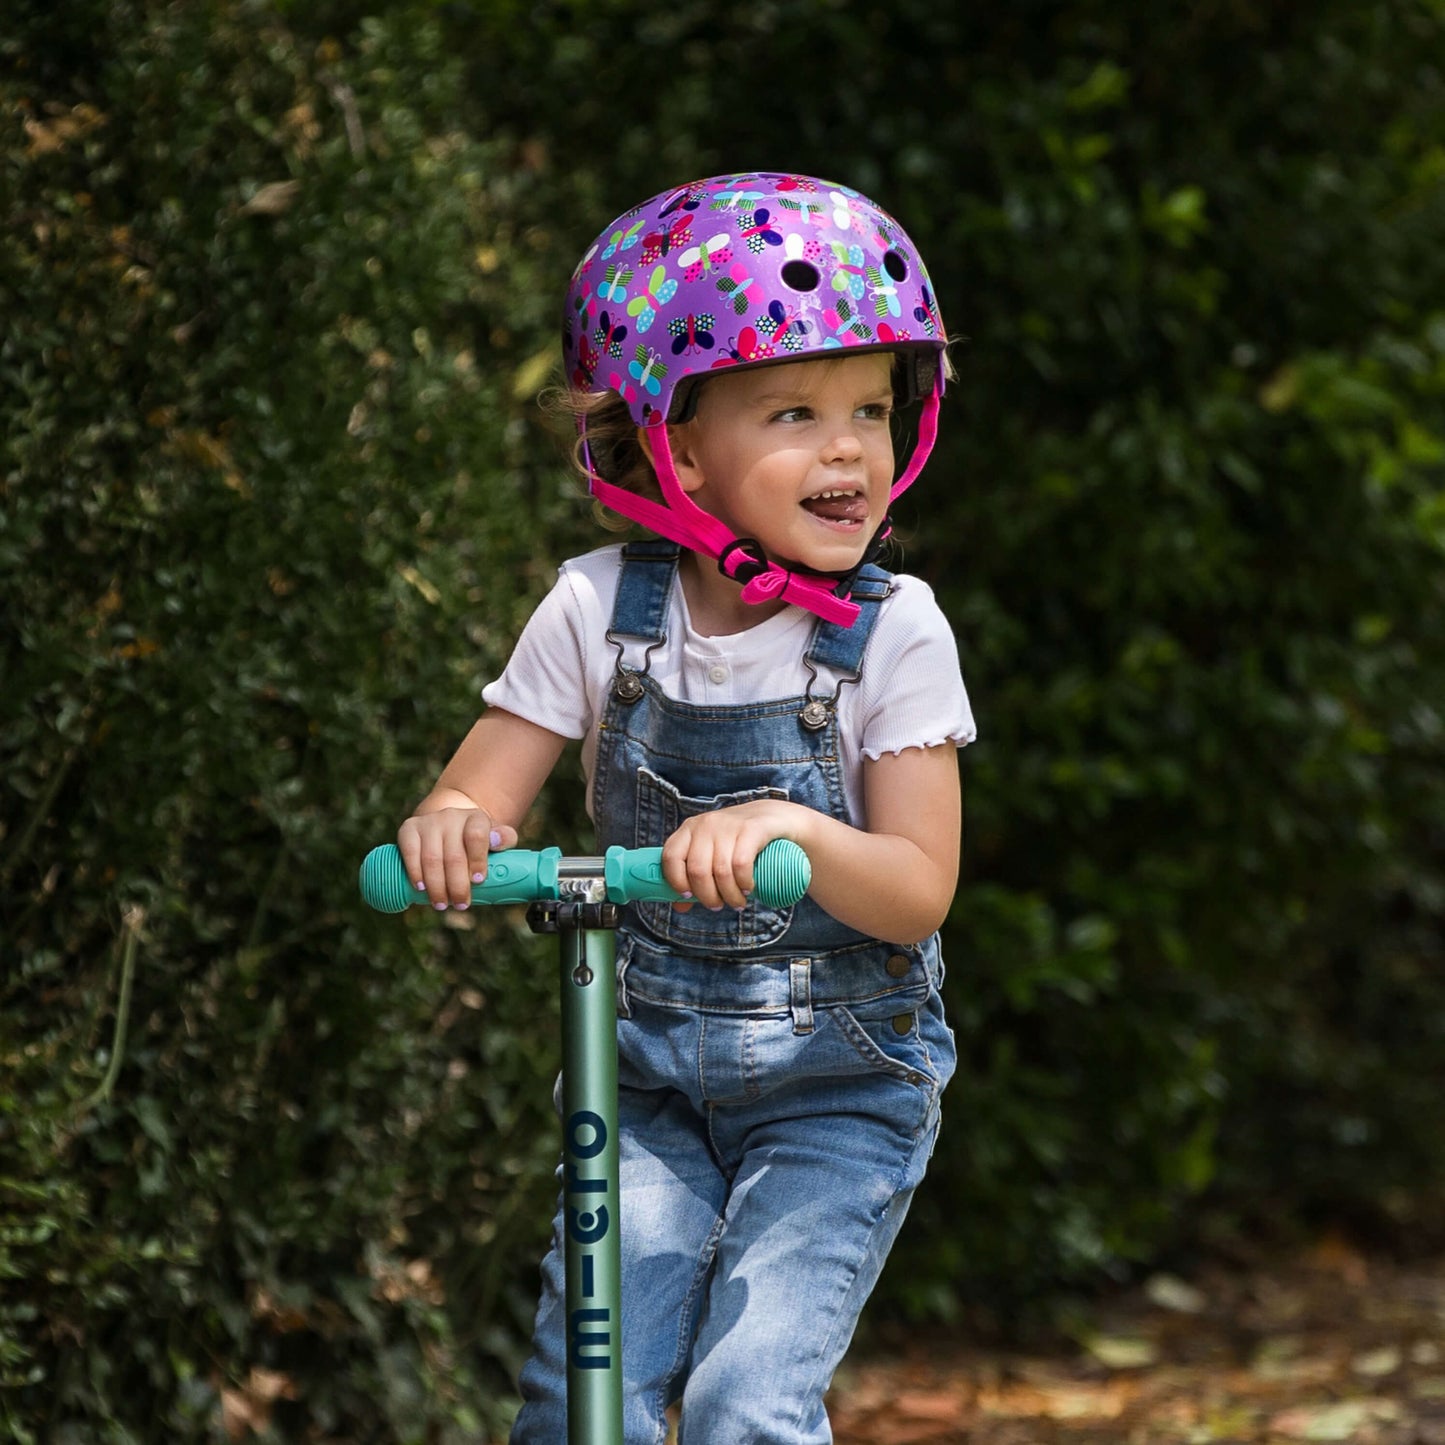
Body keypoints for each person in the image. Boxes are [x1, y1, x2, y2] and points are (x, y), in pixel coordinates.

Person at [396, 171, 976, 1444]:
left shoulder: (896, 634)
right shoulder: (596, 610)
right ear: (678, 447)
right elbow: (476, 791)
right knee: (576, 1397)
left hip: (840, 1084)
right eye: (793, 409)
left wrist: (797, 829)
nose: (847, 448)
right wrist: (448, 828)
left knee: (741, 1402)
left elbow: (917, 884)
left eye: (871, 409)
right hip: (643, 1077)